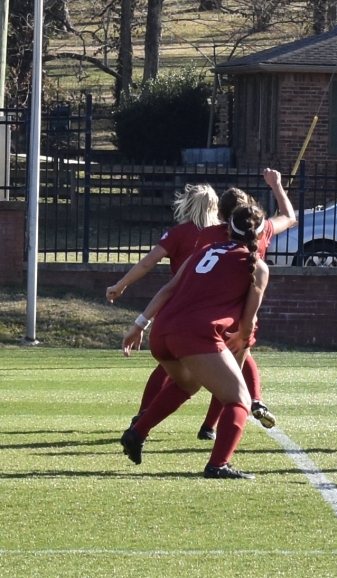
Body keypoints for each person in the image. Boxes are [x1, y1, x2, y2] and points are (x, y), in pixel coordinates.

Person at [119, 204, 271, 479]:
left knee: (187, 383)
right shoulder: (257, 266)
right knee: (239, 401)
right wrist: (243, 337)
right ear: (260, 235)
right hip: (195, 335)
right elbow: (248, 320)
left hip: (162, 331)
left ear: (228, 228)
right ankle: (218, 465)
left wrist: (138, 325)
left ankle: (137, 432)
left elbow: (167, 289)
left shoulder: (202, 252)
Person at [191, 170, 297, 438]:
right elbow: (290, 216)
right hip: (244, 310)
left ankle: (144, 423)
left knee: (194, 376)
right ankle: (217, 422)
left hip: (211, 309)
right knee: (236, 365)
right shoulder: (262, 231)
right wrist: (276, 185)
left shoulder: (210, 234)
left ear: (223, 216)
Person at [106, 183, 220, 424]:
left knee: (170, 364)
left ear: (187, 205)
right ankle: (211, 426)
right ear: (214, 206)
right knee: (233, 362)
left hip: (179, 309)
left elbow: (148, 263)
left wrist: (122, 284)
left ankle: (144, 414)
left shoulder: (179, 233)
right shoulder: (224, 233)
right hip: (215, 310)